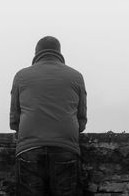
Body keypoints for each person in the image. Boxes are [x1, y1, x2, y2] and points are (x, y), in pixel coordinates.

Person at [9, 36, 87, 196]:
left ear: (36, 53)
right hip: (66, 147)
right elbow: (82, 119)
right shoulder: (76, 76)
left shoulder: (21, 76)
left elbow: (14, 120)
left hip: (29, 148)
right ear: (59, 53)